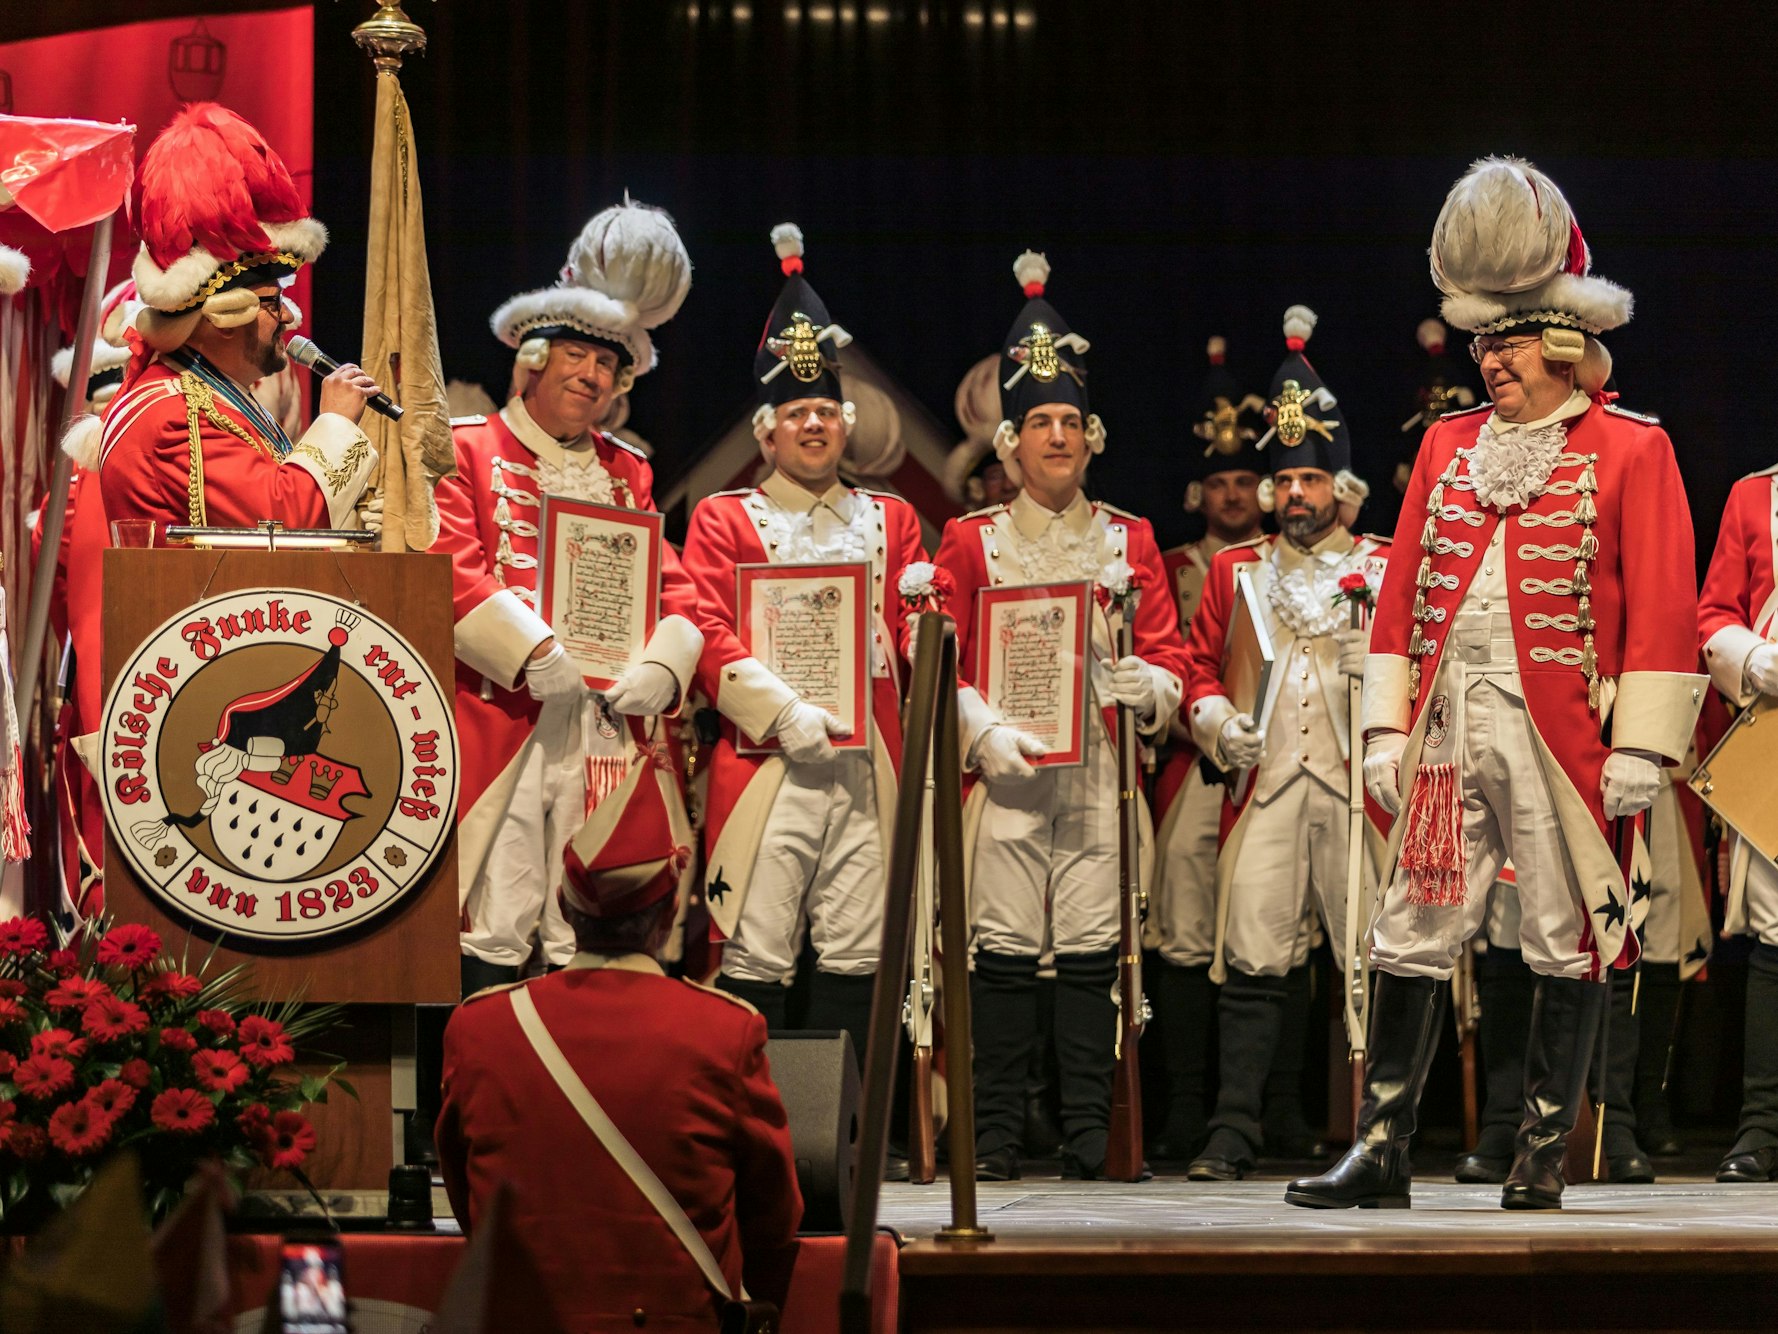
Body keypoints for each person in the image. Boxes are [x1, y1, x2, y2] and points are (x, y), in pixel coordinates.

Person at [1289, 156, 1704, 1212]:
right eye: (1481, 341)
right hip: (1441, 735)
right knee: (1413, 924)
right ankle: (1380, 1147)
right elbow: (1400, 601)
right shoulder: (1443, 445)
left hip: (1559, 745)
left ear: (1565, 341)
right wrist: (1384, 724)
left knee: (1565, 936)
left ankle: (1539, 1156)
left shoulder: (1629, 449)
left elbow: (1661, 599)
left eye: (1507, 342)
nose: (1489, 361)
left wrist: (1645, 746)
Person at [933, 251, 1189, 1180]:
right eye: (1039, 422)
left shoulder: (1131, 537)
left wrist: (1149, 689)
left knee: (1089, 960)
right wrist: (979, 728)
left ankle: (1092, 1135)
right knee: (1001, 962)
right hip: (1004, 777)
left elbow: (1168, 656)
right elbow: (939, 656)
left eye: (1070, 422)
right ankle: (994, 1137)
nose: (1057, 437)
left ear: (1093, 437)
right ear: (1010, 443)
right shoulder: (970, 541)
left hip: (1095, 778)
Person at [438, 199, 706, 993]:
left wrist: (666, 660)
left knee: (583, 920)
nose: (593, 378)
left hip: (602, 728)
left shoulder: (627, 470)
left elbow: (670, 582)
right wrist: (534, 652)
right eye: (580, 359)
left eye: (611, 367)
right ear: (535, 358)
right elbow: (451, 564)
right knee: (496, 911)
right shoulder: (468, 448)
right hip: (507, 717)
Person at [437, 749, 801, 1329]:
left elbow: (467, 1197)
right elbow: (775, 1216)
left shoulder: (479, 1026)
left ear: (564, 906)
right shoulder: (726, 1030)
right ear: (667, 915)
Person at [681, 225, 927, 1064]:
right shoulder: (723, 516)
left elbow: (919, 628)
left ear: (846, 425)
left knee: (857, 946)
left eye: (826, 410)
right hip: (767, 764)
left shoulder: (892, 520)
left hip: (867, 764)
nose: (814, 425)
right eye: (797, 413)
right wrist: (779, 712)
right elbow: (706, 631)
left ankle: (842, 1141)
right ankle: (760, 1128)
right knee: (758, 941)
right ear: (767, 432)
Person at [1180, 308, 1389, 1180]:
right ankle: (1236, 1128)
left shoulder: (1379, 564)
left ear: (1342, 488)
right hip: (1263, 784)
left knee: (1370, 960)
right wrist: (1216, 722)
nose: (1298, 493)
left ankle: (1382, 1128)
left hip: (1354, 788)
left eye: (1313, 477)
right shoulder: (1234, 572)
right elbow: (1193, 668)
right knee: (1255, 957)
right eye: (1287, 479)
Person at [100, 103, 379, 531]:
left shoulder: (210, 396)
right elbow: (284, 522)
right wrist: (337, 422)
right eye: (272, 300)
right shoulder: (177, 414)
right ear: (220, 315)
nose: (289, 315)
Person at [1147, 335, 1266, 1161]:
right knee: (1186, 933)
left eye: (1244, 481)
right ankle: (1187, 1105)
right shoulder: (1168, 565)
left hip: (1285, 766)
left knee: (1275, 936)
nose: (1232, 495)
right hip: (1197, 764)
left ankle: (1275, 1105)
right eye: (1218, 482)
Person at [1699, 455, 1778, 1182]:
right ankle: (1761, 1128)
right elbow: (1716, 611)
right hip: (1775, 737)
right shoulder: (1755, 495)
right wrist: (1755, 661)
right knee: (1775, 939)